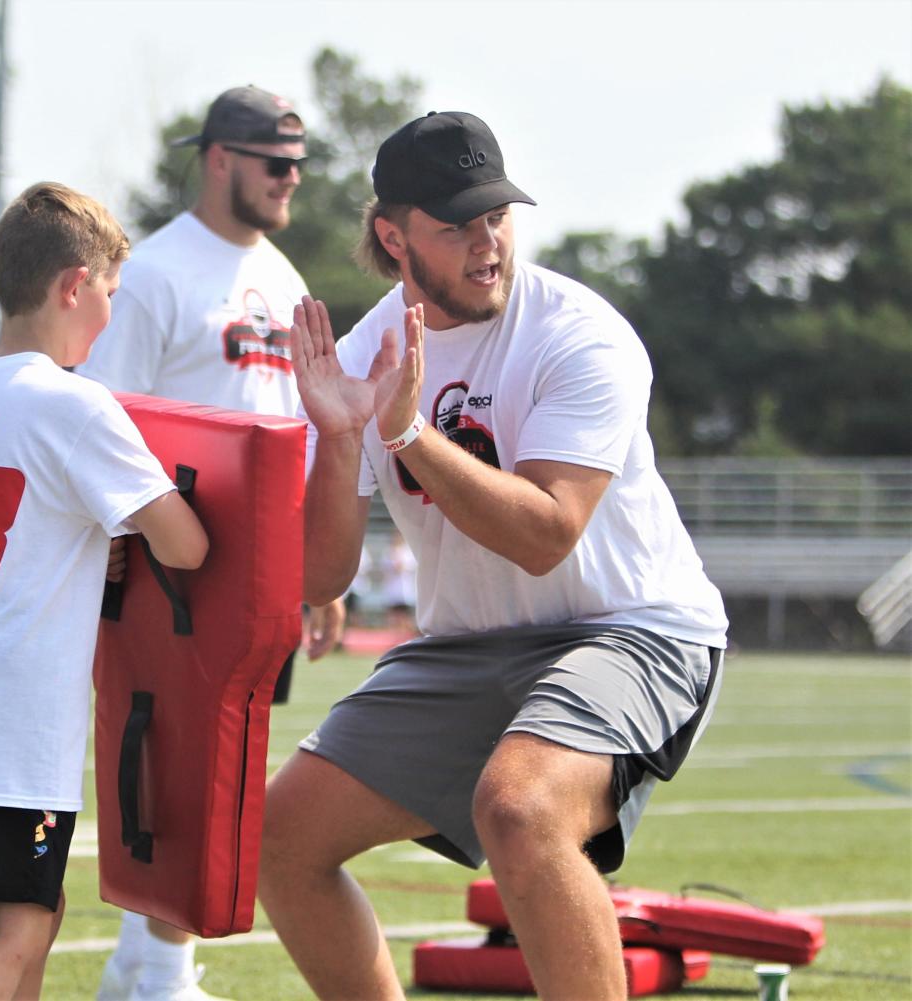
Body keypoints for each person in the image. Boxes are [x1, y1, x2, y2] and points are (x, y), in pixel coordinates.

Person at [257, 111, 729, 1001]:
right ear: (394, 237)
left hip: (633, 630)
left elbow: (548, 533)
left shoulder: (581, 333)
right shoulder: (362, 355)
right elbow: (320, 579)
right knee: (280, 837)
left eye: (497, 215)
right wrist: (339, 434)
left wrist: (405, 432)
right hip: (474, 645)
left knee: (521, 809)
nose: (487, 243)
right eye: (455, 225)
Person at [0, 181, 207, 1001]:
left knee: (37, 908)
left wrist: (71, 540)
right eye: (110, 292)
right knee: (12, 930)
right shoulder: (73, 403)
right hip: (13, 711)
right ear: (74, 285)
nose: (110, 314)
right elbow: (187, 540)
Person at [79, 84, 342, 1001]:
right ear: (220, 158)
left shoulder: (287, 277)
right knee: (188, 762)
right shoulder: (154, 271)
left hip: (265, 562)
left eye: (299, 168)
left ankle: (140, 965)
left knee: (232, 761)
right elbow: (104, 418)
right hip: (179, 555)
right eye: (276, 165)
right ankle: (161, 973)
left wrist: (318, 557)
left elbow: (304, 425)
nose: (290, 183)